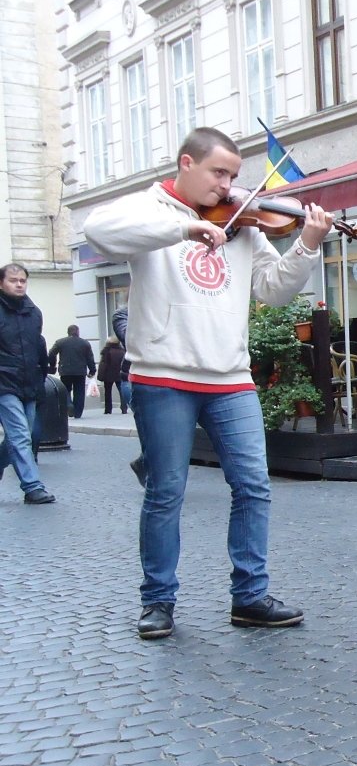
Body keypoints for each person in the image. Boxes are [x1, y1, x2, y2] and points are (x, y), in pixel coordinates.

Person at [84, 126, 332, 640]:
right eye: (219, 173)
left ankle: (250, 596)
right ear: (186, 164)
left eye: (234, 176)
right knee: (166, 491)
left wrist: (307, 242)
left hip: (231, 376)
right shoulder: (151, 209)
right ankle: (157, 602)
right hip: (163, 375)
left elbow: (274, 289)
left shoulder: (245, 222)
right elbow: (99, 231)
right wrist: (182, 230)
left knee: (253, 487)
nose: (229, 186)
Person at [0, 263, 55, 504]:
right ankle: (32, 487)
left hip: (30, 382)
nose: (19, 284)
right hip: (4, 383)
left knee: (25, 434)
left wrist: (42, 376)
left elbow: (38, 346)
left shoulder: (34, 312)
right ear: (1, 283)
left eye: (23, 280)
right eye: (14, 280)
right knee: (20, 434)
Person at [112, 306, 145, 485]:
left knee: (157, 432)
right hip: (132, 379)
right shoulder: (123, 314)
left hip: (167, 378)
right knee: (151, 430)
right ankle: (150, 468)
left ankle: (144, 463)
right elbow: (130, 339)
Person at [49, 324, 96, 418]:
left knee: (65, 389)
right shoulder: (84, 343)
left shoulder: (60, 342)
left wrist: (52, 366)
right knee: (79, 391)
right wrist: (92, 370)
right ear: (78, 332)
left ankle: (68, 404)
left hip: (65, 370)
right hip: (80, 371)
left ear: (68, 332)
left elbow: (51, 353)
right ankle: (77, 413)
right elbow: (90, 358)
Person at [97, 335, 128, 415]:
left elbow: (103, 364)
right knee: (121, 391)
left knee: (107, 392)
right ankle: (124, 408)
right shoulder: (122, 351)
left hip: (108, 374)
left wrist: (100, 375)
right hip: (119, 373)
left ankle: (108, 409)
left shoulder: (106, 351)